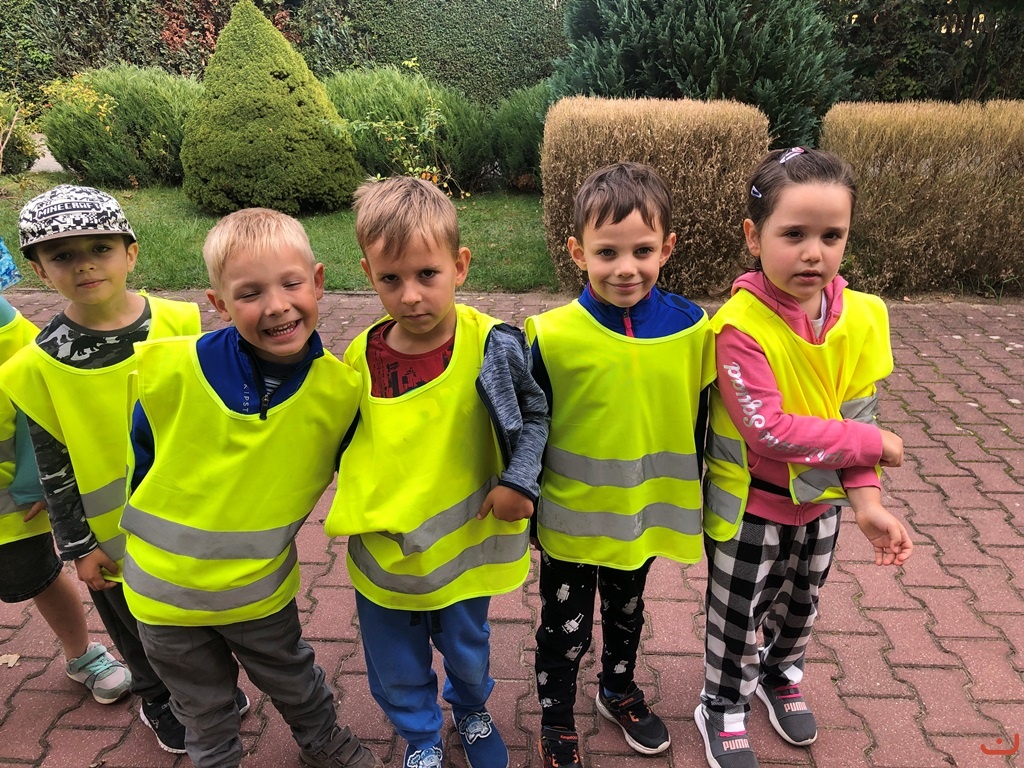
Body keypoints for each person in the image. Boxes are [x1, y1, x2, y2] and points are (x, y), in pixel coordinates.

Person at [122, 208, 381, 768]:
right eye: (250, 293)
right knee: (203, 710)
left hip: (257, 595)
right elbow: (139, 463)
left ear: (318, 281)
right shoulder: (174, 369)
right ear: (219, 304)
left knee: (294, 679)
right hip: (164, 597)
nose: (276, 306)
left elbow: (369, 472)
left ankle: (323, 741)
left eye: (291, 284)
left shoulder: (340, 392)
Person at [695, 147, 913, 768]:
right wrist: (872, 446)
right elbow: (769, 432)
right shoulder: (738, 327)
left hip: (821, 506)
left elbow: (857, 410)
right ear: (753, 236)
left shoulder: (862, 317)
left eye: (831, 236)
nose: (813, 253)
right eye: (793, 234)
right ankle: (722, 704)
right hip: (749, 509)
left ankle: (780, 673)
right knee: (738, 611)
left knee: (802, 602)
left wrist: (867, 503)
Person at [324, 176, 548, 768]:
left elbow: (535, 415)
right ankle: (421, 736)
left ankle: (471, 710)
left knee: (468, 650)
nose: (411, 296)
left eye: (428, 274)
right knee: (394, 659)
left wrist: (520, 480)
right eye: (390, 279)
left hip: (464, 552)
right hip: (388, 552)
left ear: (460, 266)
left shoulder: (494, 344)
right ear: (368, 273)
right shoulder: (360, 355)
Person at [526, 162, 716, 767]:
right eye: (607, 252)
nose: (626, 267)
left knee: (628, 613)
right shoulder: (552, 335)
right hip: (572, 520)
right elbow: (530, 432)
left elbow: (703, 420)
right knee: (564, 627)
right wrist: (524, 506)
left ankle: (616, 689)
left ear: (667, 247)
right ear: (577, 252)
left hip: (644, 515)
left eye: (642, 250)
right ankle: (556, 719)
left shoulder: (693, 329)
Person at [0, 185, 203, 753]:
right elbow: (53, 466)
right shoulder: (36, 364)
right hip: (109, 535)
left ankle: (205, 690)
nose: (85, 264)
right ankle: (158, 697)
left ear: (130, 252)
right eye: (62, 255)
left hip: (189, 513)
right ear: (40, 270)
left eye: (100, 248)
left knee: (195, 613)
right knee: (133, 625)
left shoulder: (181, 321)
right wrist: (78, 547)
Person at [0, 235, 131, 705]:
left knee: (36, 575)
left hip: (9, 506)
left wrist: (33, 483)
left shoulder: (11, 333)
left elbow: (37, 410)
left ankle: (81, 653)